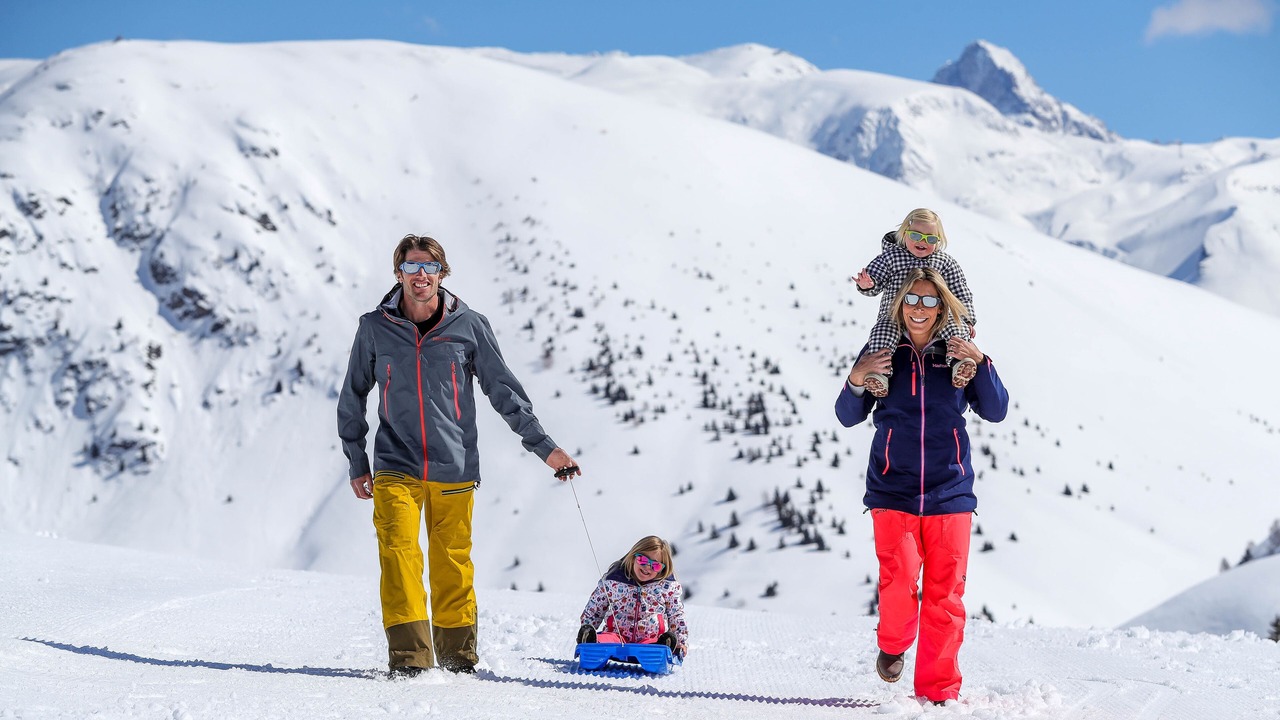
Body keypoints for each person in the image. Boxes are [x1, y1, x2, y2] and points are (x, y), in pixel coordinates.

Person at [338, 233, 582, 678]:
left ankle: (457, 659)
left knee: (452, 562)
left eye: (429, 267)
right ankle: (411, 660)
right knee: (398, 553)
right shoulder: (374, 327)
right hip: (395, 464)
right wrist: (357, 461)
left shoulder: (469, 326)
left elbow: (503, 392)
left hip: (454, 466)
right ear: (398, 274)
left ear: (441, 273)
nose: (421, 275)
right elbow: (353, 395)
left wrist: (546, 449)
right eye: (411, 267)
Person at [835, 267, 1008, 705]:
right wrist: (857, 378)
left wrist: (981, 361)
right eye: (912, 299)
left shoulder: (957, 353)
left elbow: (996, 410)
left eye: (930, 300)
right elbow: (848, 415)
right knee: (898, 582)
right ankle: (893, 643)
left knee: (945, 596)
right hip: (893, 488)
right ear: (899, 303)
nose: (919, 308)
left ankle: (938, 692)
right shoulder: (883, 351)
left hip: (950, 490)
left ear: (943, 306)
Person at [853, 208, 977, 398]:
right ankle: (879, 375)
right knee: (881, 335)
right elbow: (875, 277)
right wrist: (868, 284)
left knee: (956, 330)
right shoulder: (892, 257)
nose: (922, 242)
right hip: (894, 315)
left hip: (935, 317)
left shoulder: (944, 262)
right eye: (916, 235)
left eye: (930, 239)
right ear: (904, 233)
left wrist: (966, 320)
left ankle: (958, 364)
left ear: (939, 241)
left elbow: (960, 292)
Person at [577, 536, 689, 658]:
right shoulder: (614, 581)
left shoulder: (666, 587)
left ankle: (662, 648)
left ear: (662, 569)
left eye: (655, 565)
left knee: (656, 645)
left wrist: (680, 641)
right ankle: (590, 643)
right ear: (633, 557)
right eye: (643, 560)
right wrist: (588, 627)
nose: (647, 567)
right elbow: (595, 607)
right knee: (604, 639)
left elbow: (676, 614)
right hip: (616, 636)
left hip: (650, 638)